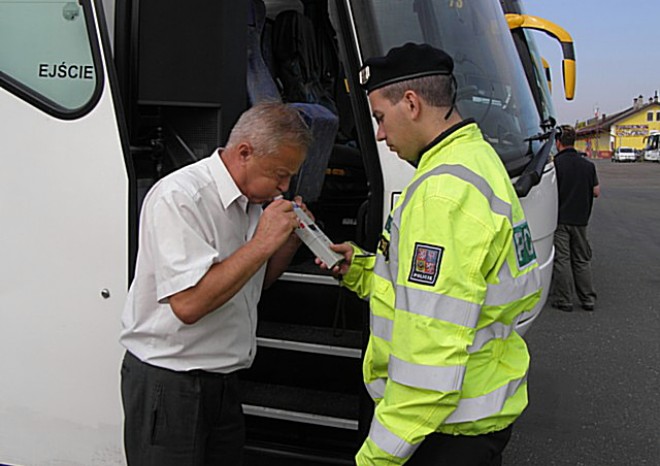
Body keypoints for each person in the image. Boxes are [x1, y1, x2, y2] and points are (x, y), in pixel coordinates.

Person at [319, 43, 542, 466]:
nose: (380, 134)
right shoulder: (477, 159)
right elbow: (448, 295)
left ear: (411, 103)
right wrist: (362, 270)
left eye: (380, 118)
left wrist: (376, 457)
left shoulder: (442, 194)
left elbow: (430, 360)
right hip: (475, 414)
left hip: (443, 432)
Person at [119, 102, 313, 465]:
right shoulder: (180, 197)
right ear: (244, 153)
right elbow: (189, 305)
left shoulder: (253, 204)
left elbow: (255, 283)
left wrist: (288, 242)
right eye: (280, 174)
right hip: (170, 381)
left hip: (223, 380)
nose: (283, 188)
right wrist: (261, 243)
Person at [551, 124, 600, 312]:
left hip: (560, 218)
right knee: (581, 259)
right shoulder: (588, 165)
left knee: (562, 259)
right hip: (581, 220)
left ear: (558, 142)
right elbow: (596, 192)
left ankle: (564, 299)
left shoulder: (555, 165)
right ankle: (587, 298)